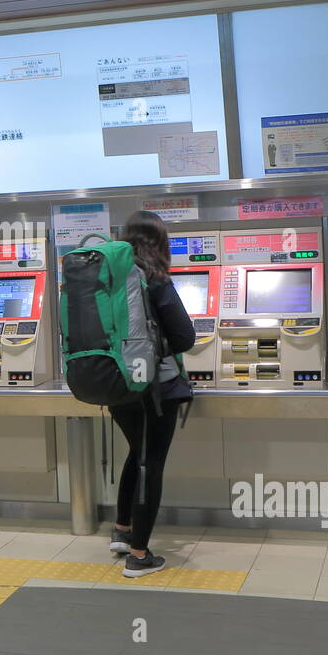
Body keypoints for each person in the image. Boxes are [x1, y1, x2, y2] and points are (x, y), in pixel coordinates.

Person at [108, 210, 195, 577]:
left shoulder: (110, 280)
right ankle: (140, 555)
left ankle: (123, 530)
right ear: (160, 242)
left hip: (116, 384)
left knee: (136, 454)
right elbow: (185, 337)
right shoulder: (155, 280)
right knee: (150, 464)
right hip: (155, 389)